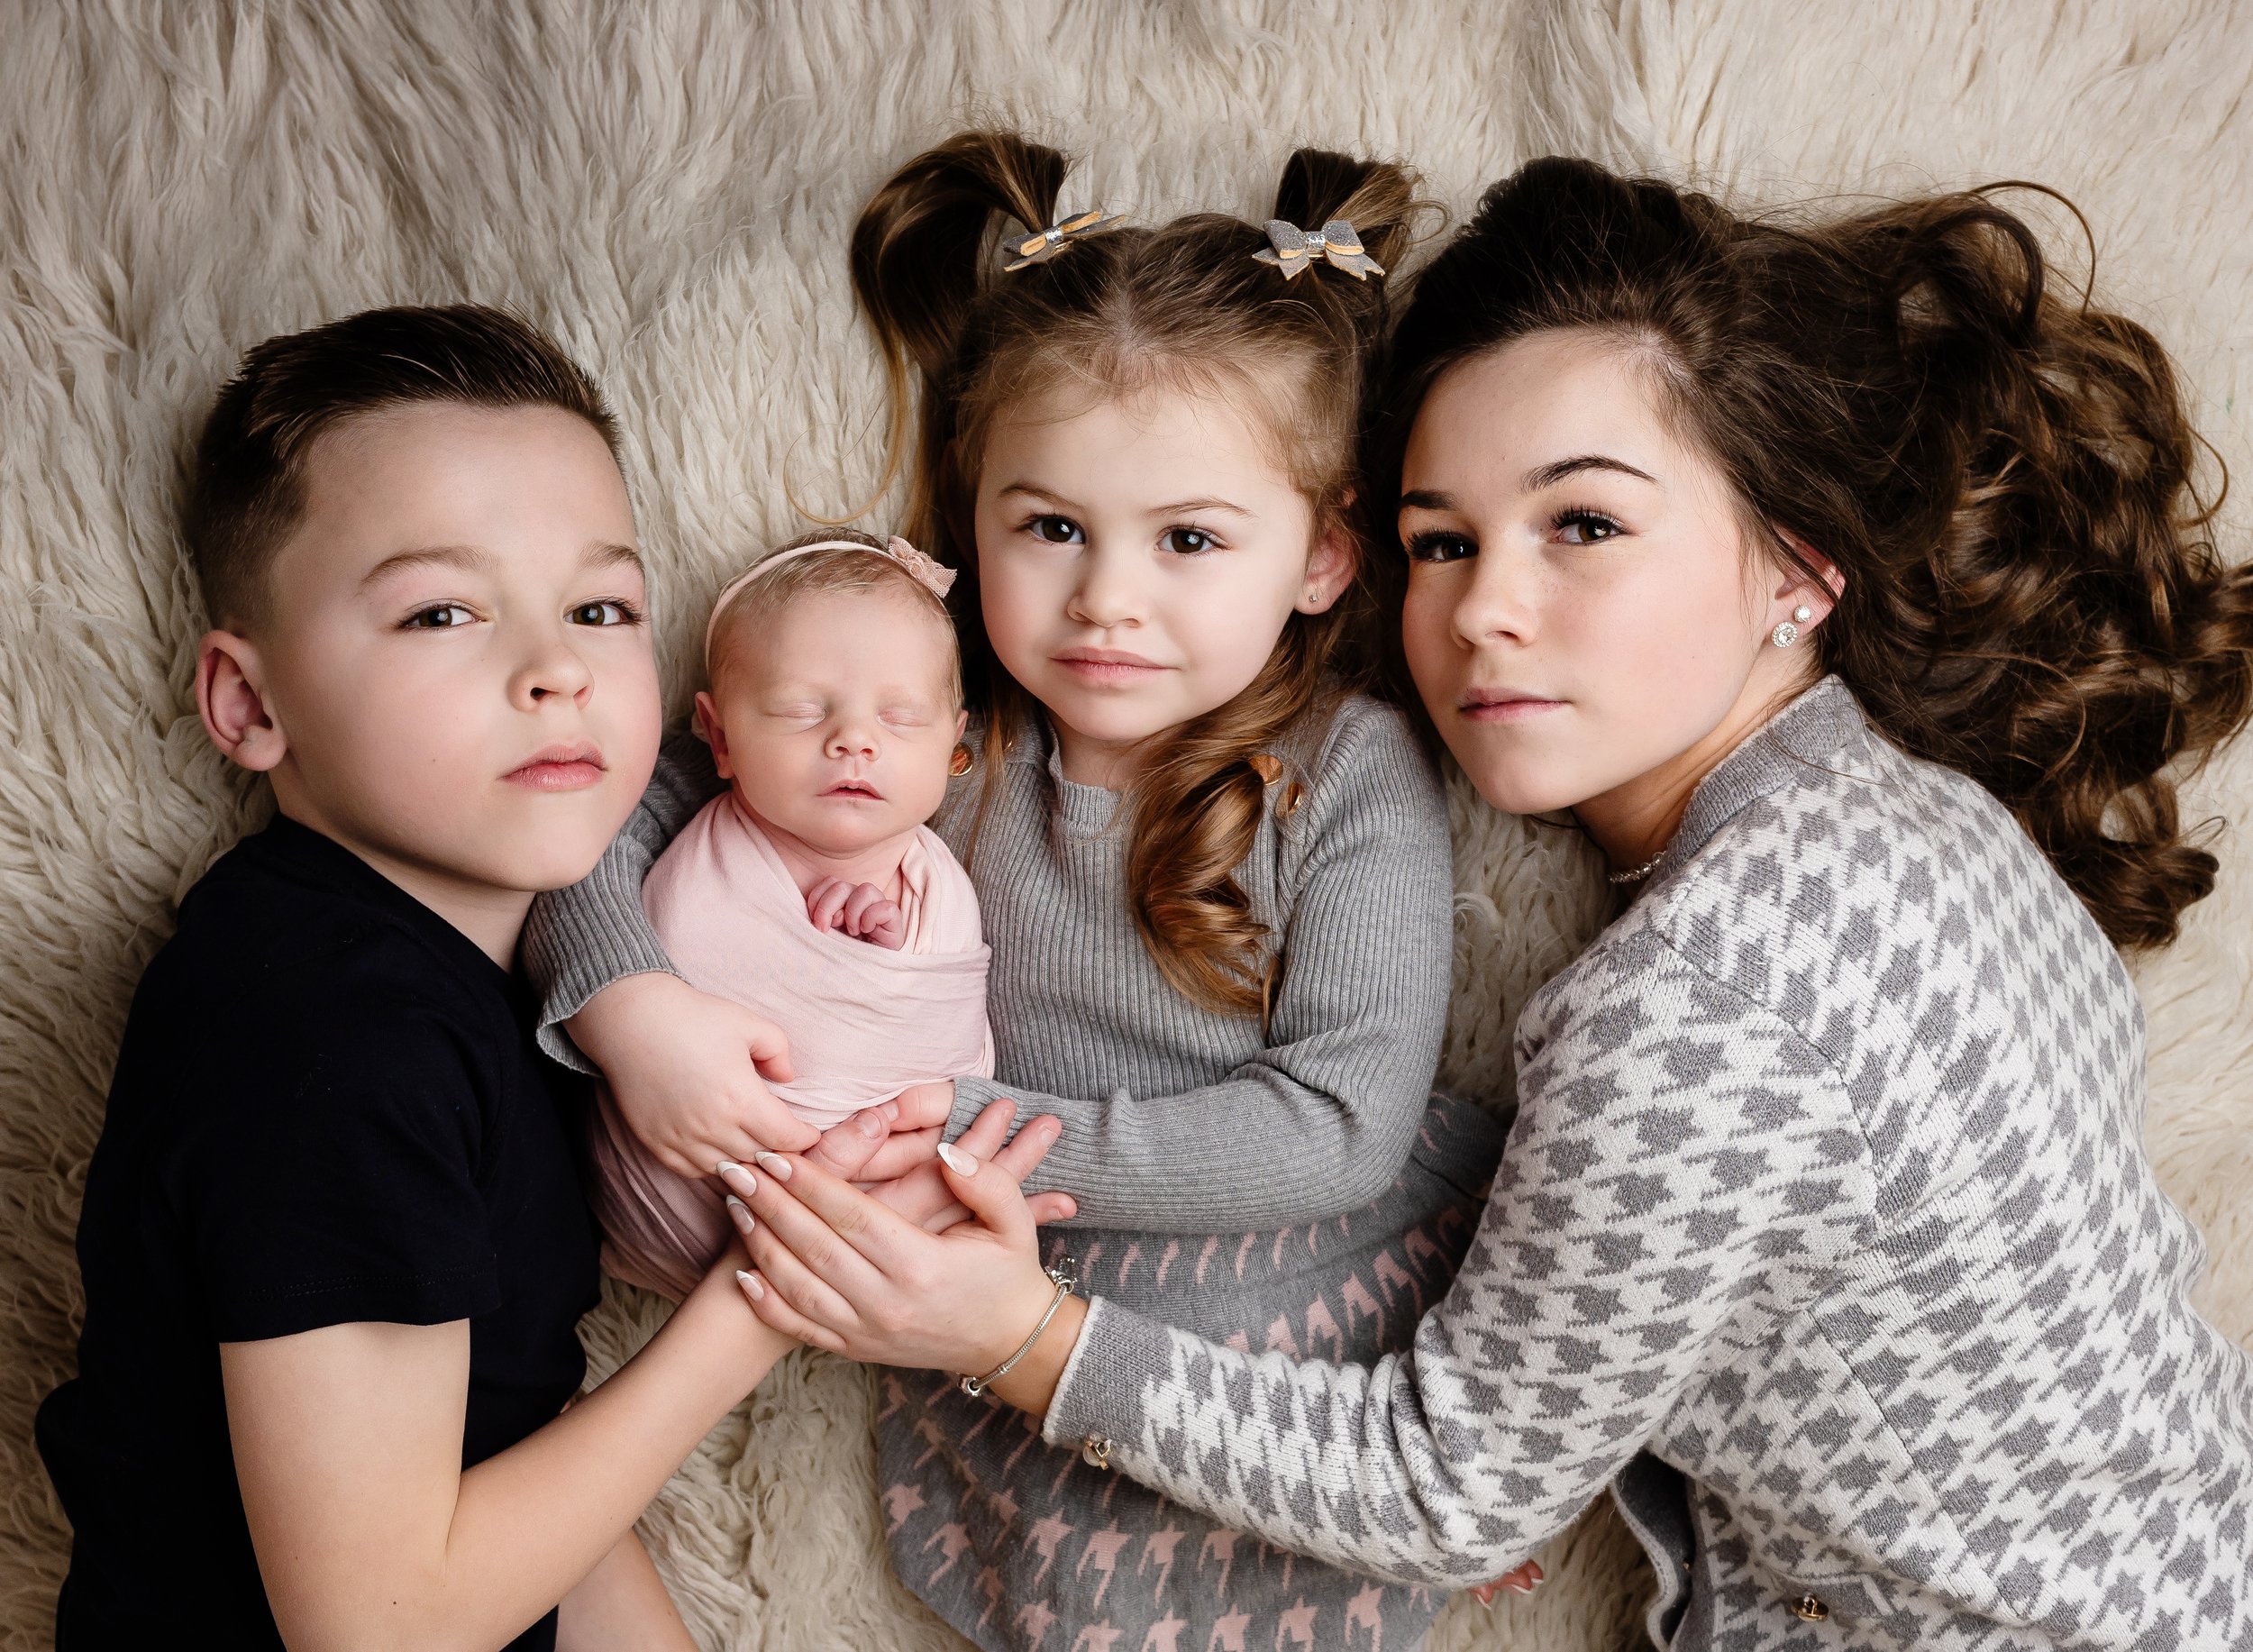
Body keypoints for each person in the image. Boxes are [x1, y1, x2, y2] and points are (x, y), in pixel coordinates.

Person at [715, 159, 2253, 1650]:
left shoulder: (1701, 1002)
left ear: (1799, 568)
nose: (1482, 611)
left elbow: (1443, 1490)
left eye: (1583, 524)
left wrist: (1014, 1335)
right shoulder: (1929, 822)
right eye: (1441, 542)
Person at [524, 132, 1526, 1650]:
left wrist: (962, 1128)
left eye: (1190, 539)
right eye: (1051, 528)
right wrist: (628, 1003)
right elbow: (589, 819)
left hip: (1300, 1296)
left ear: (1322, 556)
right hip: (1003, 1316)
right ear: (973, 510)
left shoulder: (1346, 770)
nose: (1107, 597)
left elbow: (1338, 1124)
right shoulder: (925, 728)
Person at [32, 305, 1065, 1652]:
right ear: (249, 703)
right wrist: (773, 1288)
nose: (557, 669)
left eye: (599, 608)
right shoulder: (324, 1035)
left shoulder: (466, 978)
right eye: (440, 610)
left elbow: (504, 1444)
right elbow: (379, 1628)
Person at [588, 529, 996, 1300]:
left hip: (893, 1228)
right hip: (672, 1207)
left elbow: (942, 1048)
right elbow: (658, 963)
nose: (855, 740)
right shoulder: (697, 856)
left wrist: (880, 942)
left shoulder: (942, 889)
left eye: (902, 716)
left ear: (953, 745)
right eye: (802, 710)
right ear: (719, 737)